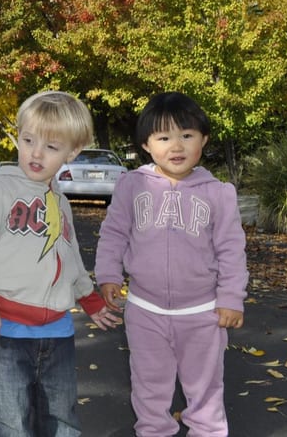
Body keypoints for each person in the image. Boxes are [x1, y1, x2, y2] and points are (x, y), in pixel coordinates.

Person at [0, 90, 121, 437]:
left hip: (56, 331)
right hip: (3, 327)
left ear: (71, 152)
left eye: (50, 147)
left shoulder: (59, 202)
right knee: (9, 417)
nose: (35, 152)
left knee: (62, 416)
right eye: (28, 139)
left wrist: (89, 299)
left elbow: (70, 255)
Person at [95, 92, 248, 437]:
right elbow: (114, 234)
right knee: (149, 386)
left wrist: (231, 298)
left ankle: (208, 431)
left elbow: (231, 249)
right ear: (147, 145)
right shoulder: (132, 186)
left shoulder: (218, 193)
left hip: (203, 314)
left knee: (205, 389)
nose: (176, 146)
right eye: (164, 138)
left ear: (203, 140)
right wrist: (107, 275)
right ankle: (153, 431)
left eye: (187, 136)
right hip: (145, 310)